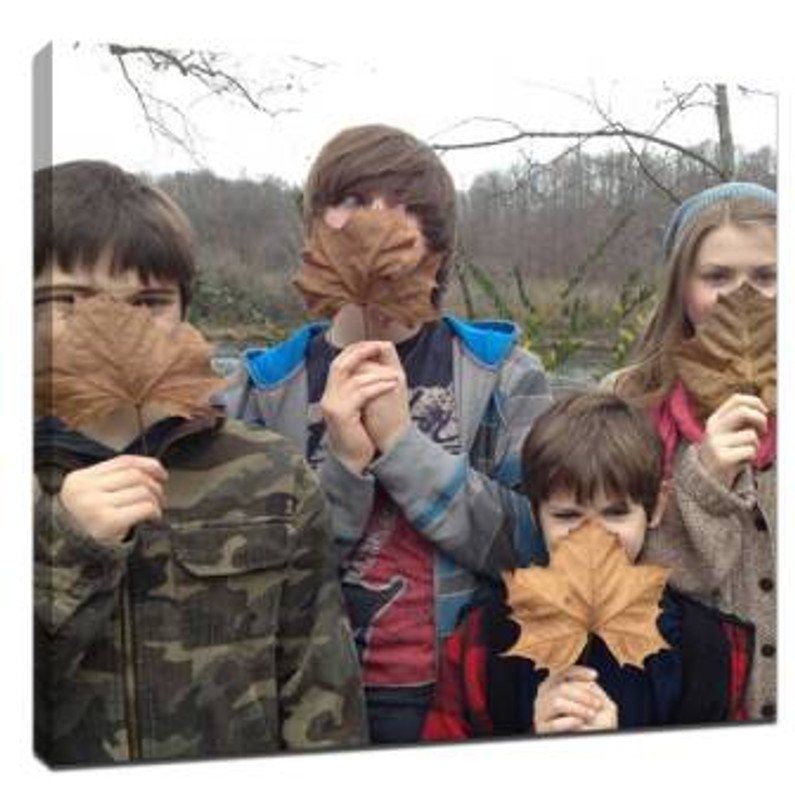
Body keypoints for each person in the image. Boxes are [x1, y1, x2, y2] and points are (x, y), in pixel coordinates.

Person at [34, 160, 368, 766]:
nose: (112, 326)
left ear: (184, 312)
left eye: (147, 301)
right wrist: (66, 550)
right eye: (65, 298)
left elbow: (320, 693)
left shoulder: (270, 475)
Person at [227, 124, 552, 743]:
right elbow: (250, 585)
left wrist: (404, 447)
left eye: (403, 209)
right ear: (315, 234)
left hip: (467, 700)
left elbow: (540, 544)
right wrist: (344, 469)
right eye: (353, 202)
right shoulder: (259, 392)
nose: (377, 223)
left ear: (439, 247)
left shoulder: (507, 376)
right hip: (307, 708)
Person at [421, 392, 753, 740]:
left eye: (616, 513)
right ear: (535, 513)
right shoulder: (486, 640)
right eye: (568, 516)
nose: (592, 536)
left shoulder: (706, 651)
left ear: (656, 508)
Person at [607, 182, 776, 722]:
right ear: (681, 286)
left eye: (766, 276)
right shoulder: (624, 404)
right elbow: (605, 568)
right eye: (717, 277)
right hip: (681, 709)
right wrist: (702, 480)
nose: (741, 297)